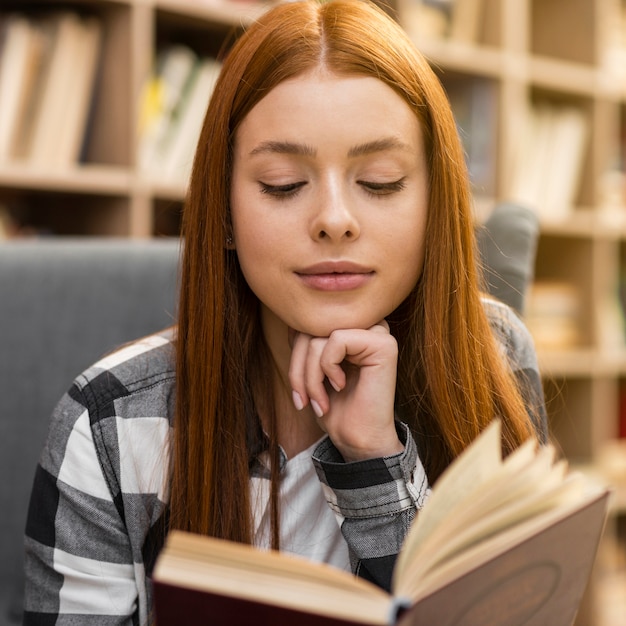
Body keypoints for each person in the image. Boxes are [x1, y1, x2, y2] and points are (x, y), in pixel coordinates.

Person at [23, 0, 547, 623]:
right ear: (222, 212)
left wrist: (378, 464)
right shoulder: (108, 424)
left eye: (379, 181)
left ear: (435, 204)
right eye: (281, 183)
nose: (333, 219)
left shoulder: (492, 356)